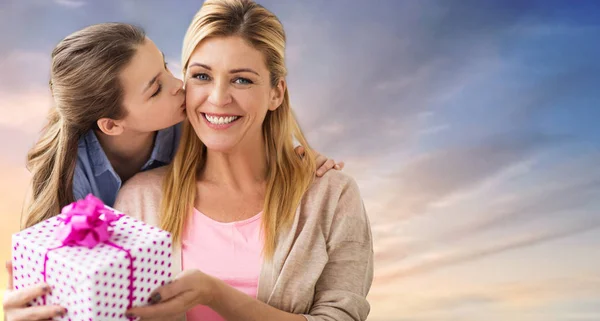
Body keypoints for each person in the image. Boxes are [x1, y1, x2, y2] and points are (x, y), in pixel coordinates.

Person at [3, 22, 342, 321]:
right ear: (111, 124)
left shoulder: (187, 127)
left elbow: (247, 125)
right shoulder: (70, 176)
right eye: (155, 88)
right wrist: (27, 305)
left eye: (165, 66)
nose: (179, 84)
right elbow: (50, 280)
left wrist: (294, 152)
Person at [115, 1, 374, 320]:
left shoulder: (332, 195)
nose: (219, 98)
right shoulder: (139, 200)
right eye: (201, 76)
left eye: (242, 80)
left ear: (276, 93)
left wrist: (216, 295)